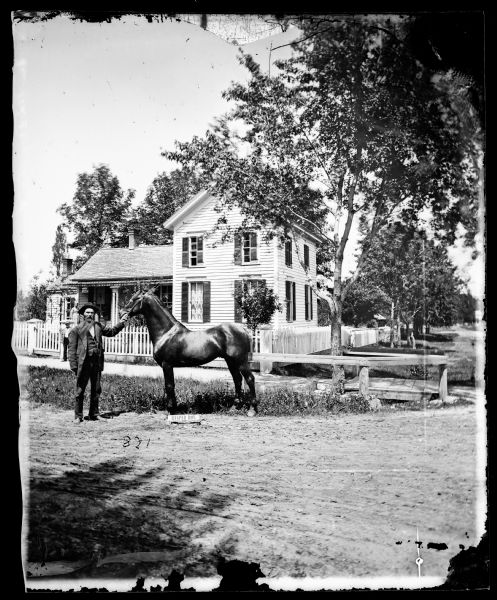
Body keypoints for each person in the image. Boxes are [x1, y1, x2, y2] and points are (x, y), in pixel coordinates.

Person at [68, 303, 129, 422]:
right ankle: (78, 416)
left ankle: (93, 414)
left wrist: (122, 322)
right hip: (83, 363)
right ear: (83, 315)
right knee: (80, 390)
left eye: (92, 313)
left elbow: (111, 332)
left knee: (96, 389)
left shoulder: (98, 326)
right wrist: (74, 366)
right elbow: (71, 349)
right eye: (87, 313)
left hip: (96, 362)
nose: (90, 315)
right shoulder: (76, 330)